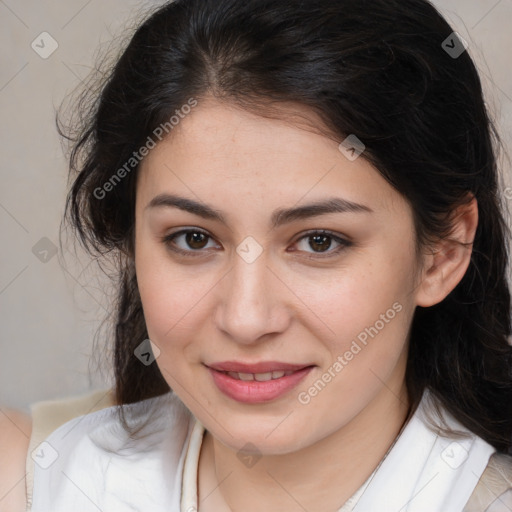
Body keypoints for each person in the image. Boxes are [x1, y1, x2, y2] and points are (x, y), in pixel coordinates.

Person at [18, 0, 512, 510]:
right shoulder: (47, 482)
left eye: (320, 241)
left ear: (442, 254)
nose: (246, 319)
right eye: (193, 238)